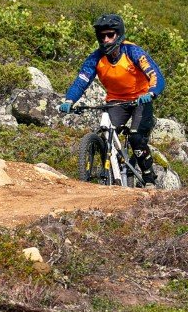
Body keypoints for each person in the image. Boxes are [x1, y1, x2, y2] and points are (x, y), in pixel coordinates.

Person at [59, 13, 165, 185]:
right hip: (116, 101)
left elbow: (155, 75)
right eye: (102, 36)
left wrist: (151, 93)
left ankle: (149, 178)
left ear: (119, 34)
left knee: (136, 138)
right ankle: (109, 172)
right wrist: (69, 100)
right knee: (105, 132)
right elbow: (82, 81)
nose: (106, 39)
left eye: (110, 35)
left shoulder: (133, 51)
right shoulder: (95, 58)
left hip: (140, 100)